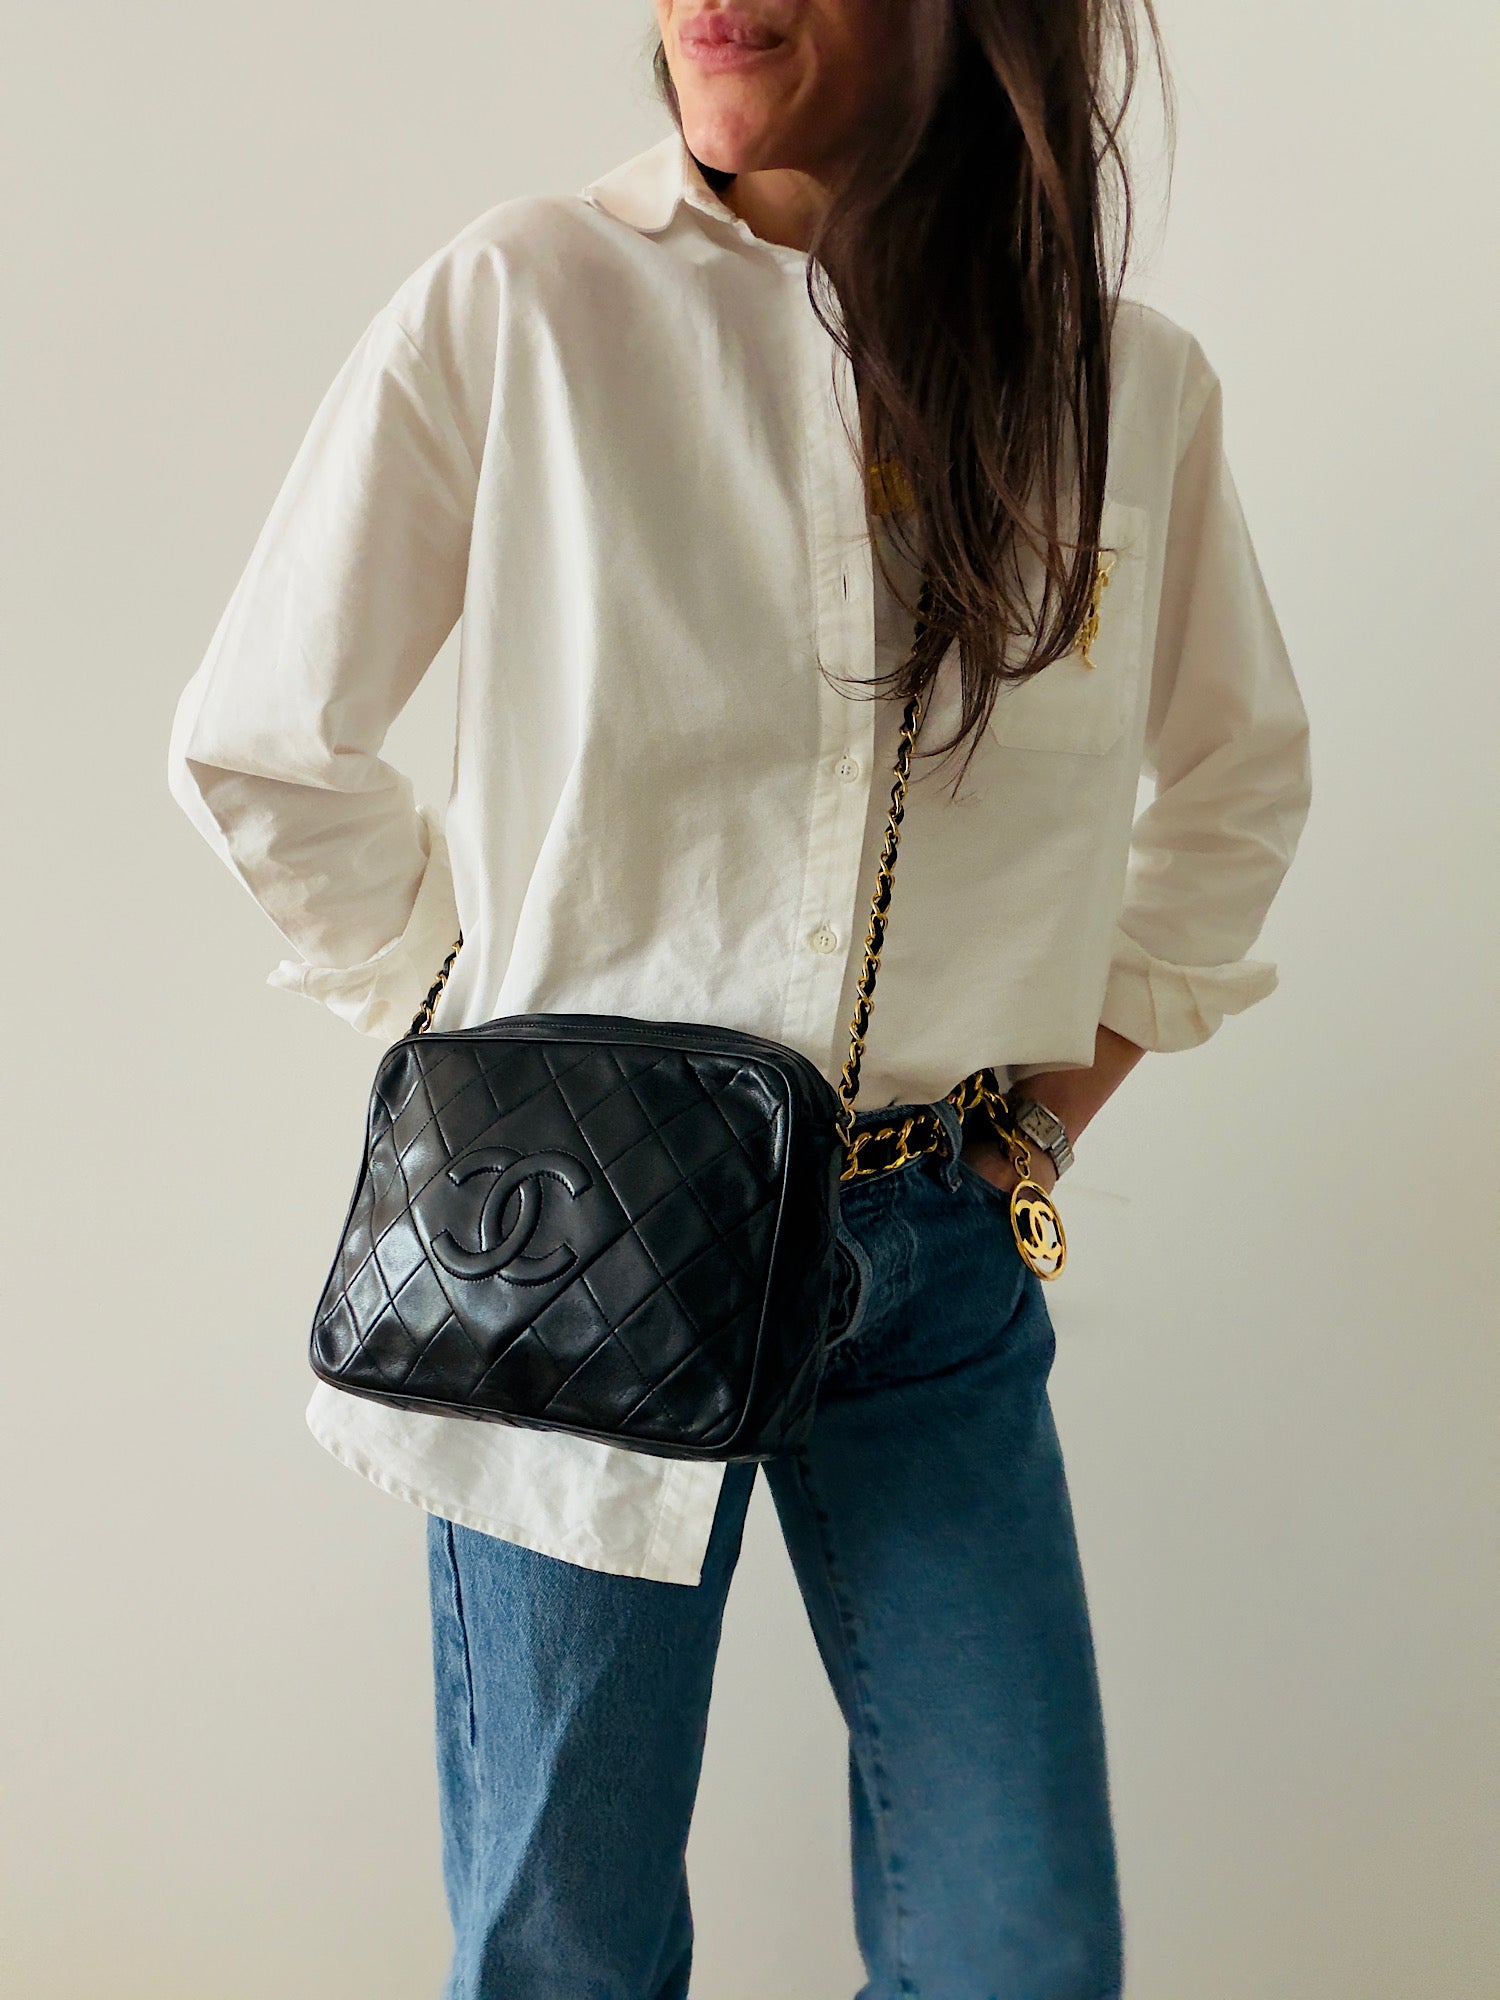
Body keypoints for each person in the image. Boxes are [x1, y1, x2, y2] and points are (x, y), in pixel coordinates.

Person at [167, 3, 1312, 1994]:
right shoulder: (531, 303)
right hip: (577, 1269)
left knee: (1021, 1949)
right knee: (571, 1954)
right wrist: (490, 1051)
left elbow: (1238, 787)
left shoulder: (1125, 385)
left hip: (936, 1257)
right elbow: (261, 747)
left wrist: (1047, 1113)